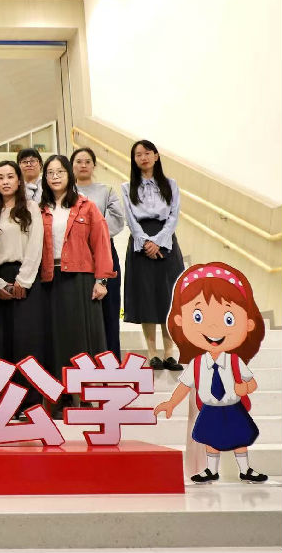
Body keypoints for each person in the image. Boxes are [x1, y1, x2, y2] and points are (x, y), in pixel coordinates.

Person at [155, 262, 267, 484]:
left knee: (240, 438)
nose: (214, 328)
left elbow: (251, 382)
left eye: (228, 319)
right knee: (210, 440)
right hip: (209, 408)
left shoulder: (234, 361)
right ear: (180, 320)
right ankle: (210, 470)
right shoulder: (197, 364)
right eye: (198, 316)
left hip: (233, 407)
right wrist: (171, 403)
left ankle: (245, 469)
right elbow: (185, 385)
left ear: (248, 323)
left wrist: (245, 387)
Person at [39, 154, 114, 415]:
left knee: (81, 340)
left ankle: (83, 396)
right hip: (49, 279)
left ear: (69, 175)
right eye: (50, 172)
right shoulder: (39, 208)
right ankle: (58, 398)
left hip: (80, 278)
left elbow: (101, 244)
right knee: (55, 340)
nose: (55, 176)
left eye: (60, 171)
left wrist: (101, 280)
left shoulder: (86, 206)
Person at [0, 160, 45, 413]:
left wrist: (23, 280)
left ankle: (30, 403)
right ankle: (4, 404)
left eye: (10, 176)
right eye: (0, 177)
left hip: (26, 278)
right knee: (1, 343)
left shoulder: (30, 208)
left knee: (26, 342)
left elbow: (36, 245)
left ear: (19, 180)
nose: (6, 182)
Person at [121, 140, 185, 371]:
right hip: (140, 244)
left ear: (156, 156)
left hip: (166, 242)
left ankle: (170, 353)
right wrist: (146, 242)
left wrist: (158, 241)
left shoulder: (171, 184)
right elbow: (130, 219)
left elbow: (173, 216)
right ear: (134, 159)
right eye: (138, 154)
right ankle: (152, 354)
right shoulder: (126, 186)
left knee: (168, 297)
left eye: (147, 153)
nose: (143, 157)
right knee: (146, 296)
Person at [72, 147, 126, 360]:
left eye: (87, 161)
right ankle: (81, 361)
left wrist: (95, 235)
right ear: (72, 166)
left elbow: (118, 219)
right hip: (76, 254)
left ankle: (111, 359)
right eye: (78, 161)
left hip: (105, 252)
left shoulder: (106, 190)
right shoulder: (66, 191)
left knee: (110, 310)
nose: (83, 165)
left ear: (94, 165)